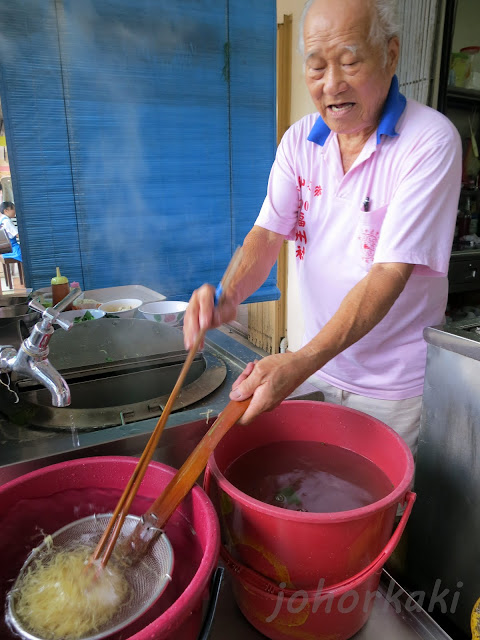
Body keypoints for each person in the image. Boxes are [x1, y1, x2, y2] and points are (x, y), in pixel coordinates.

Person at [183, 0, 462, 456]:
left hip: (388, 391)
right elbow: (267, 233)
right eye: (316, 67)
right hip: (309, 369)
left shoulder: (429, 142)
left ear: (391, 55)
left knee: (368, 513)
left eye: (350, 62)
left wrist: (300, 360)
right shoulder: (300, 140)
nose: (332, 83)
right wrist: (227, 296)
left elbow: (388, 274)